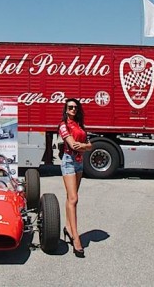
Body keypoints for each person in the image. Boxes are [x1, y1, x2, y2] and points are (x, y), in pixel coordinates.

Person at [58, 98, 92, 258]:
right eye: (70, 107)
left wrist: (84, 146)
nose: (73, 110)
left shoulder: (79, 125)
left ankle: (68, 228)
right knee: (74, 199)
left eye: (75, 108)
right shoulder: (63, 125)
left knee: (70, 199)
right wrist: (85, 146)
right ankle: (76, 237)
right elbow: (72, 145)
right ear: (65, 110)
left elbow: (89, 145)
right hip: (69, 162)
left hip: (79, 163)